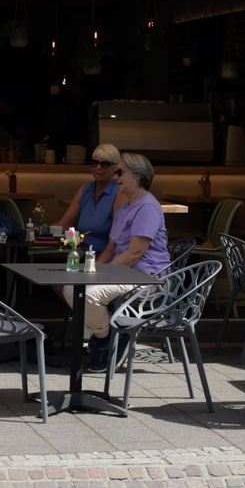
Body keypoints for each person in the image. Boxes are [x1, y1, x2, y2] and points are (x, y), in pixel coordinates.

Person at [64, 152, 170, 371]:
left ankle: (104, 342)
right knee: (72, 287)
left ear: (138, 176)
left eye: (120, 172)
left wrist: (102, 274)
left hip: (148, 278)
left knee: (89, 293)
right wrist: (91, 271)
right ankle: (107, 336)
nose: (115, 177)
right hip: (126, 273)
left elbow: (134, 253)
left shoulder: (147, 207)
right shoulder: (124, 207)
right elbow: (112, 249)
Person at [53, 143, 120, 255]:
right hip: (83, 255)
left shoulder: (119, 192)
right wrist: (41, 231)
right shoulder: (85, 189)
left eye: (105, 164)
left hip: (106, 260)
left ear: (115, 168)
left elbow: (116, 242)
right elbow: (65, 225)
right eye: (95, 163)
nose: (98, 167)